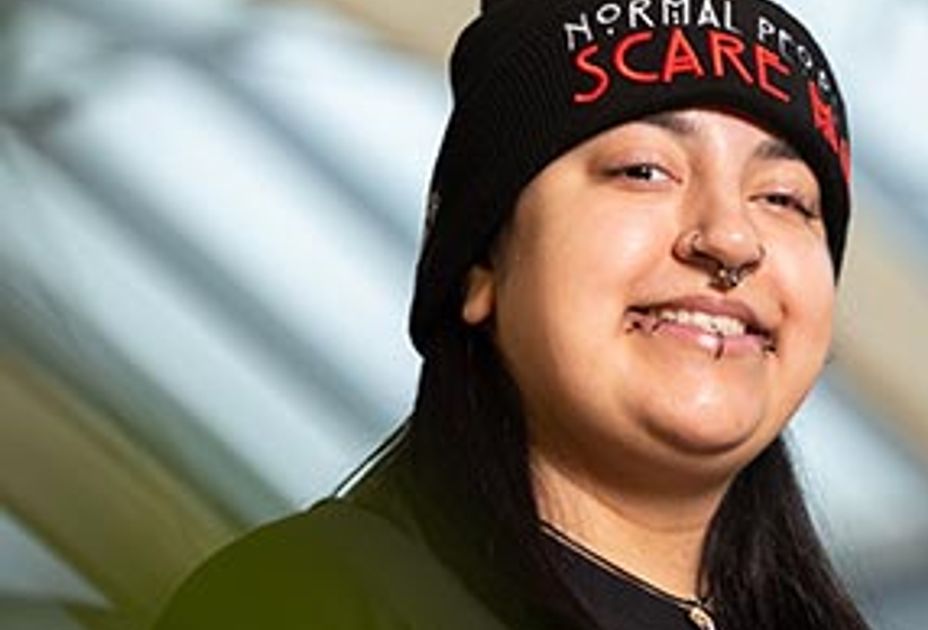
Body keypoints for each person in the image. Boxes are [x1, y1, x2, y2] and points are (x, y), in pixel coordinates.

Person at [154, 0, 864, 628]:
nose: (731, 239)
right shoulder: (311, 596)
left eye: (784, 199)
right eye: (643, 170)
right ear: (481, 265)